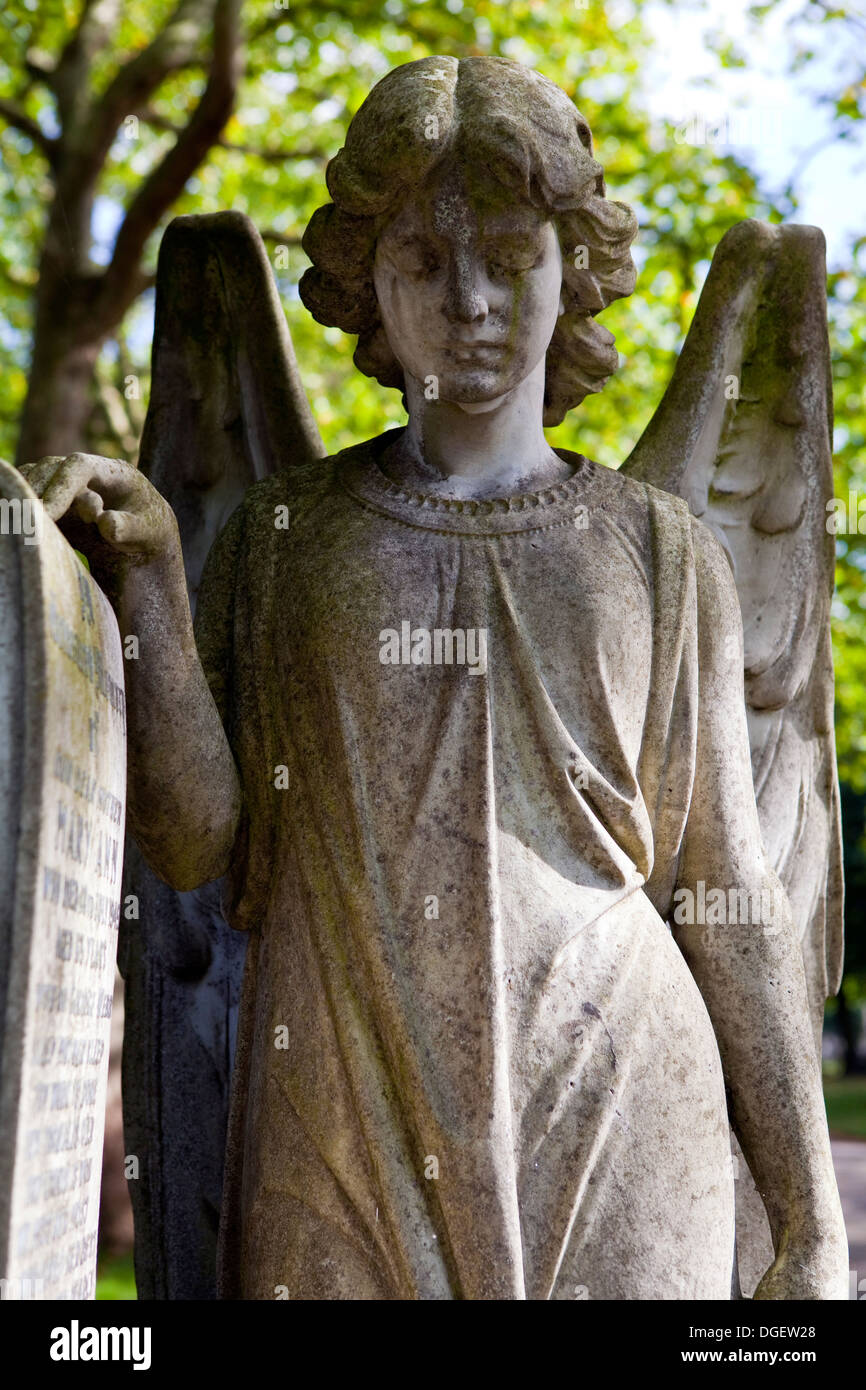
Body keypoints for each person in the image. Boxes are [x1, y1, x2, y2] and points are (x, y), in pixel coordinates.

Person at [22, 55, 847, 1299]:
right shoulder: (289, 535)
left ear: (571, 268)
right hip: (340, 1098)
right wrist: (147, 588)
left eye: (510, 259)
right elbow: (199, 849)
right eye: (422, 261)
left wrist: (807, 1218)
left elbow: (725, 883)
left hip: (619, 1101)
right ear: (365, 283)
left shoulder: (654, 549)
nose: (468, 300)